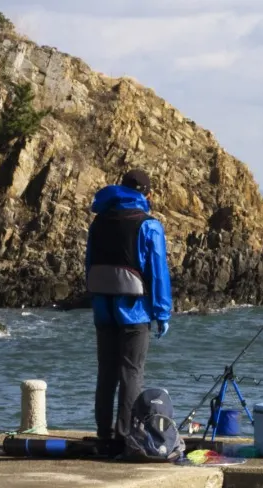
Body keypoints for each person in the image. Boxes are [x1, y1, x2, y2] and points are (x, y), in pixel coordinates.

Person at [86, 168, 172, 456]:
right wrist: (162, 312)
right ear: (145, 193)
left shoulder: (98, 223)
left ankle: (103, 434)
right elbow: (158, 272)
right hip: (135, 311)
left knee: (106, 372)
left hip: (103, 308)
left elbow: (89, 265)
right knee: (131, 372)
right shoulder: (148, 225)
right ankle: (125, 437)